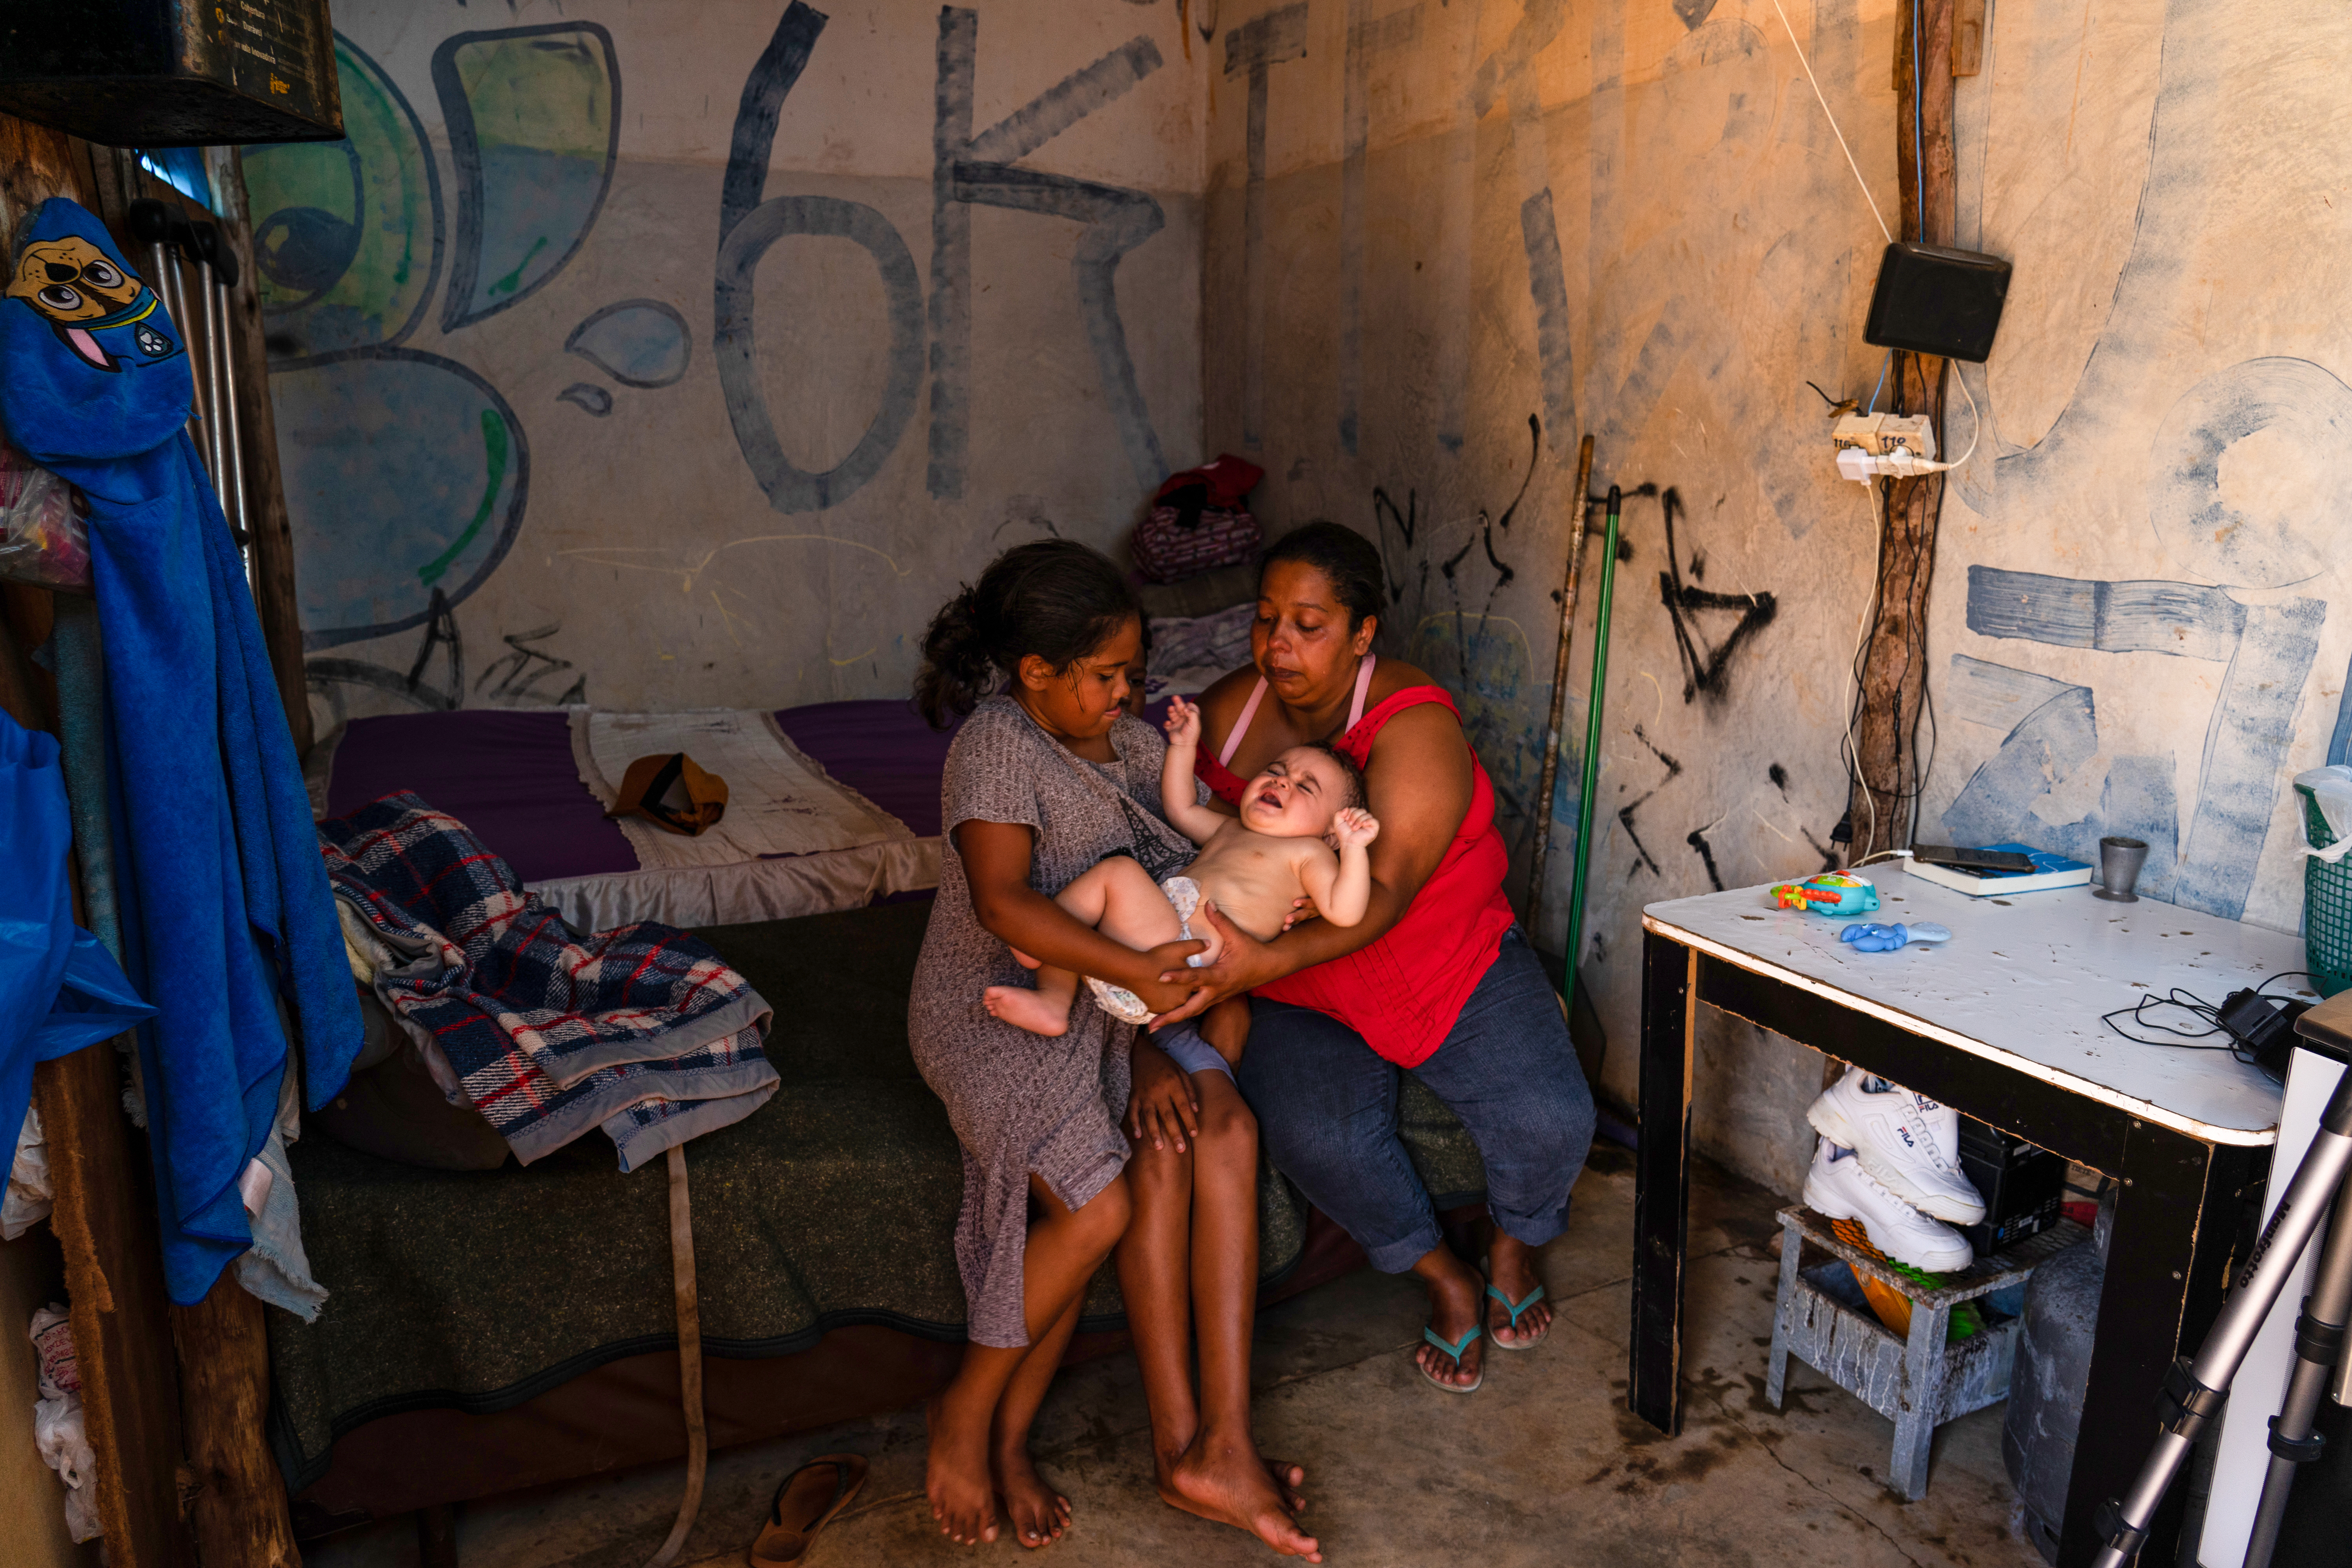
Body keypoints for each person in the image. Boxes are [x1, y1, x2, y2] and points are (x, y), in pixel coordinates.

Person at [909, 540, 1317, 1558]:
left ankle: (1007, 1440)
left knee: (1112, 1194)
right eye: (1105, 677)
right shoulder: (996, 746)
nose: (1125, 694)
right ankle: (967, 1413)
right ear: (1036, 672)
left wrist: (1177, 1003)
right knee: (1096, 1207)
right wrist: (1138, 984)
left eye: (1134, 672)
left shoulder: (1133, 751)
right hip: (993, 1002)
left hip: (1100, 1006)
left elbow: (1193, 881)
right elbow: (1005, 905)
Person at [1156, 521, 1597, 1396]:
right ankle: (1445, 1275)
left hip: (1445, 954)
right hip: (1305, 983)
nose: (1279, 643)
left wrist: (1245, 969)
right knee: (1321, 1135)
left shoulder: (1413, 721)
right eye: (1266, 617)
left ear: (1363, 634)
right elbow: (1184, 839)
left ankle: (1513, 1241)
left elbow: (1385, 894)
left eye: (1310, 624)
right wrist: (1230, 977)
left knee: (1553, 1118)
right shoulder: (1232, 710)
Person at [984, 693, 1380, 1041]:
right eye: (1276, 771)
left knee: (1117, 873)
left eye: (1305, 787)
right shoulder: (1233, 829)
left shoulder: (1310, 853)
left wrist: (1354, 847)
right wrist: (1183, 747)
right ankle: (1053, 1000)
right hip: (1143, 946)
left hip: (1185, 959)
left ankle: (1037, 935)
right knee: (1091, 910)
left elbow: (1345, 912)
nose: (1282, 783)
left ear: (1331, 832)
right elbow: (1181, 808)